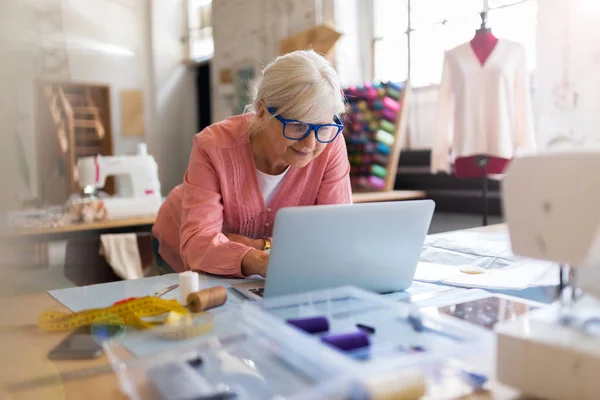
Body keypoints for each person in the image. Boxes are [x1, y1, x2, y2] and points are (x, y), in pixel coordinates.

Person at [152, 49, 352, 278]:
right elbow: (198, 246)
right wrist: (259, 260)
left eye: (323, 127)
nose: (310, 142)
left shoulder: (331, 145)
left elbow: (334, 233)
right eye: (297, 126)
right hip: (177, 247)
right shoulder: (213, 146)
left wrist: (261, 248)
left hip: (266, 265)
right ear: (262, 112)